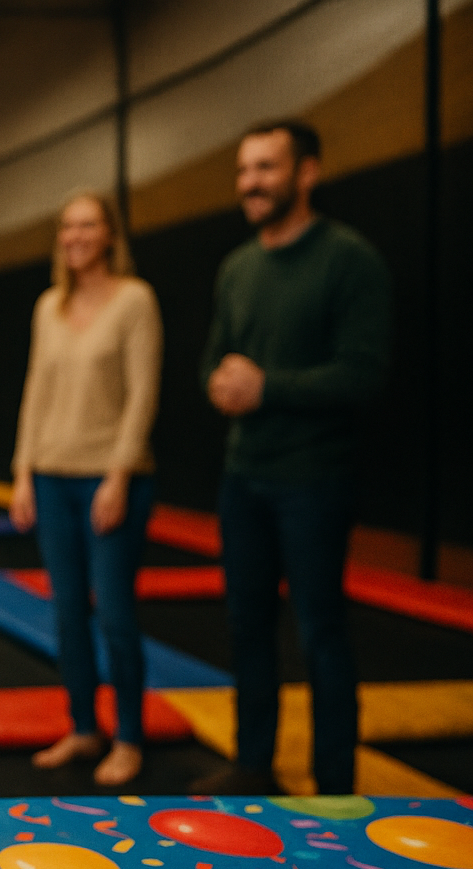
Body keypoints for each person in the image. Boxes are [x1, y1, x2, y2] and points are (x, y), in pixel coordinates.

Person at [195, 121, 391, 796]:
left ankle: (337, 785)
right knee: (246, 626)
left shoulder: (348, 259)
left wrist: (267, 387)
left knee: (320, 632)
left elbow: (365, 375)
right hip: (243, 477)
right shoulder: (237, 267)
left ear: (307, 172)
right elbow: (216, 361)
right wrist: (219, 384)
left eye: (267, 168)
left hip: (315, 479)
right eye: (245, 169)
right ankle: (254, 763)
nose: (251, 182)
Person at [9, 190, 162, 787]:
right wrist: (23, 472)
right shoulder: (49, 306)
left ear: (109, 235)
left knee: (115, 612)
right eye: (67, 226)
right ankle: (82, 726)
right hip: (51, 475)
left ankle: (128, 737)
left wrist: (120, 473)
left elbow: (143, 393)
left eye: (87, 225)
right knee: (68, 613)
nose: (75, 235)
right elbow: (35, 393)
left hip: (109, 477)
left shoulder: (134, 301)